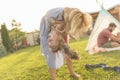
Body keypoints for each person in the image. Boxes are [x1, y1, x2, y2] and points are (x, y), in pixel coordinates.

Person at [40, 7, 92, 80]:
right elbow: (48, 27)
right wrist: (54, 36)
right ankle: (53, 78)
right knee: (51, 57)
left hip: (61, 31)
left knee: (67, 52)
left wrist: (69, 34)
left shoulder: (71, 16)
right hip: (49, 32)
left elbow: (69, 28)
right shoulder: (54, 15)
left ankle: (72, 72)